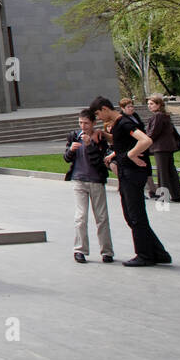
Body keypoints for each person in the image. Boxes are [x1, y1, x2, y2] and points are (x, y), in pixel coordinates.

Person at [92, 96, 171, 267]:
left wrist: (130, 155)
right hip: (127, 173)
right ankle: (158, 253)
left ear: (105, 109)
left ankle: (145, 255)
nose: (99, 118)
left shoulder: (125, 122)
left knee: (136, 216)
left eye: (98, 114)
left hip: (133, 174)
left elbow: (146, 140)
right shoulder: (119, 125)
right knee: (131, 215)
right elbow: (121, 141)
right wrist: (105, 135)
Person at [63, 108, 114, 264]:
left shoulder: (99, 138)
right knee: (80, 217)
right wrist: (70, 151)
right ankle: (80, 250)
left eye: (86, 123)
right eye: (80, 123)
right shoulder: (74, 136)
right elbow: (66, 158)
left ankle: (107, 251)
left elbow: (100, 162)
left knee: (102, 217)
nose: (83, 126)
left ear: (93, 123)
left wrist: (90, 145)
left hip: (96, 181)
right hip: (79, 180)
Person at [145, 96, 180, 204]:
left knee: (162, 172)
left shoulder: (158, 116)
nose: (149, 106)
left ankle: (163, 196)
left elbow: (153, 133)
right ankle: (177, 195)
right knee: (171, 171)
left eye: (151, 104)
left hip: (160, 148)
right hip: (168, 147)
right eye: (148, 104)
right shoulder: (165, 116)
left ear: (158, 105)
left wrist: (144, 141)